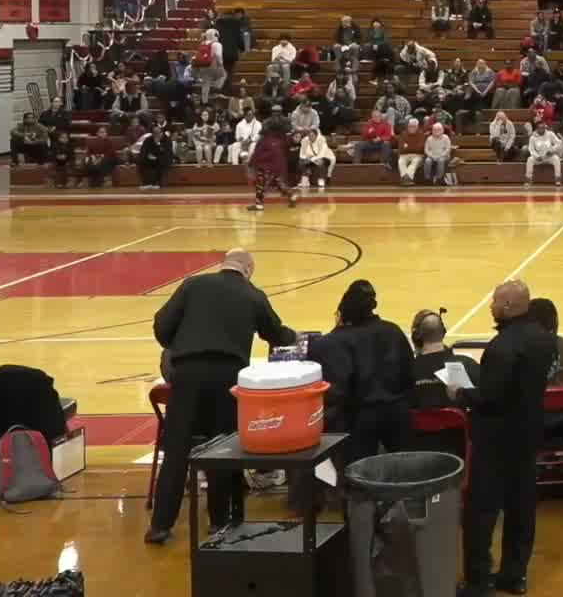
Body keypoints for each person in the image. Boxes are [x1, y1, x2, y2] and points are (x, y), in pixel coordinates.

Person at [145, 248, 298, 544]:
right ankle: (219, 521)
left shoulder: (193, 285)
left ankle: (160, 525)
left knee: (177, 451)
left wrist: (181, 343)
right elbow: (276, 334)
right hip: (228, 377)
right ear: (249, 269)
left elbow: (162, 327)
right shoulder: (253, 295)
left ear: (223, 265)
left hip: (188, 374)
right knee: (222, 448)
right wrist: (296, 336)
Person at [447, 280, 556, 597]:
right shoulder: (543, 340)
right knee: (522, 509)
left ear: (507, 306)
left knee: (481, 512)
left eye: (495, 301)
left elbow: (490, 397)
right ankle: (514, 575)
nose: (490, 305)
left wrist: (460, 393)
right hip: (528, 435)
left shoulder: (501, 347)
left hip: (495, 440)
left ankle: (478, 581)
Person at [309, 281, 413, 465]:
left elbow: (334, 391)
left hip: (357, 421)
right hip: (397, 415)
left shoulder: (334, 341)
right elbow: (409, 373)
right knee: (403, 471)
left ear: (342, 313)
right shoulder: (393, 330)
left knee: (359, 477)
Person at [408, 308, 480, 412]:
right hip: (458, 427)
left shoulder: (406, 370)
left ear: (416, 337)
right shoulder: (466, 364)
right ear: (443, 332)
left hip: (418, 428)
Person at [248, 118, 296, 211]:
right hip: (278, 165)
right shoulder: (282, 139)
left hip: (265, 165)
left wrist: (251, 163)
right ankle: (291, 195)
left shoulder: (264, 140)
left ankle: (259, 204)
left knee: (260, 183)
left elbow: (258, 153)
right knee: (277, 182)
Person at [524, 122, 563, 186]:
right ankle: (528, 179)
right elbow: (531, 149)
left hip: (549, 156)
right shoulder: (533, 137)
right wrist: (536, 156)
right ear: (536, 129)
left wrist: (552, 150)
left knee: (556, 159)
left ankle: (558, 178)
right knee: (530, 159)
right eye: (540, 128)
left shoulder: (550, 134)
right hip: (538, 157)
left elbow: (559, 143)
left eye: (543, 128)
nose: (542, 129)